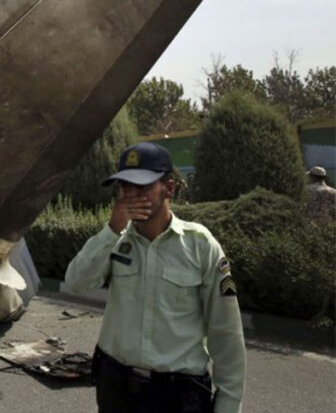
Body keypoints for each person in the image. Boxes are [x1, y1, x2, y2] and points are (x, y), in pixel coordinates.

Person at [64, 142, 245, 413]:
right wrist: (112, 229)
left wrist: (228, 405)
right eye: (125, 187)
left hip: (177, 395)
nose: (131, 196)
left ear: (168, 188)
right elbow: (75, 283)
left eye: (142, 187)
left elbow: (226, 331)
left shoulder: (200, 245)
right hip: (117, 388)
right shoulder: (115, 241)